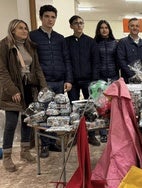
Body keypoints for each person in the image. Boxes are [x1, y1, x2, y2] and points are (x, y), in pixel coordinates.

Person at [0, 19, 47, 172]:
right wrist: (13, 90)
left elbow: (37, 68)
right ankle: (7, 157)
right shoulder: (4, 45)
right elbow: (2, 72)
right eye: (20, 28)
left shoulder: (30, 46)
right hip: (13, 89)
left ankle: (24, 151)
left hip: (29, 87)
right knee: (11, 123)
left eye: (26, 28)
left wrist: (43, 87)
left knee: (28, 120)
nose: (25, 31)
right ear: (12, 30)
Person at [30, 5, 73, 158]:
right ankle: (45, 145)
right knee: (44, 114)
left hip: (59, 81)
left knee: (57, 113)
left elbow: (66, 59)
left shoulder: (59, 38)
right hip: (43, 82)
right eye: (47, 16)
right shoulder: (33, 36)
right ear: (41, 17)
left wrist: (68, 79)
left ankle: (54, 142)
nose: (50, 19)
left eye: (53, 17)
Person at [65, 15, 101, 146]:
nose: (79, 25)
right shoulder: (66, 42)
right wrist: (68, 79)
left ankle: (91, 135)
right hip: (73, 81)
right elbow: (66, 61)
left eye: (81, 23)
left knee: (90, 109)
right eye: (76, 23)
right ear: (71, 26)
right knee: (74, 109)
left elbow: (96, 62)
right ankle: (75, 136)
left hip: (88, 80)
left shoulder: (91, 42)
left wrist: (94, 81)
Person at [94, 20, 119, 143]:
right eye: (102, 28)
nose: (104, 30)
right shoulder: (94, 43)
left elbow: (118, 60)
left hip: (113, 77)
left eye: (106, 27)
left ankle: (113, 130)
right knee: (101, 105)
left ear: (109, 29)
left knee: (113, 105)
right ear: (98, 30)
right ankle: (103, 132)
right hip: (100, 78)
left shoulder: (115, 43)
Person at [117, 17, 142, 83]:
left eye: (137, 26)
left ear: (139, 28)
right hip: (127, 78)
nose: (135, 28)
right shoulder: (122, 42)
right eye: (132, 26)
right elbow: (121, 61)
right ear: (128, 27)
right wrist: (133, 75)